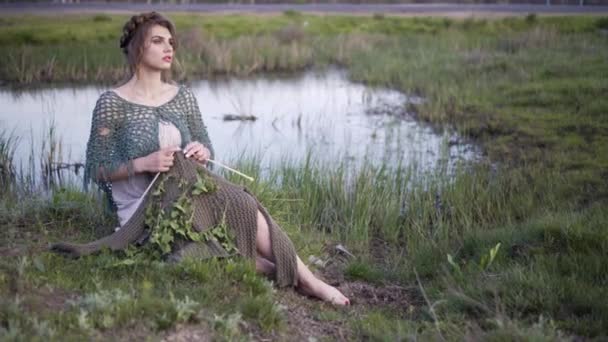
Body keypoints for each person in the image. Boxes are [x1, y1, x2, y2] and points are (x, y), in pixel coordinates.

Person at [85, 11, 349, 306]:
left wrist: (202, 152)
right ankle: (292, 274)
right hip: (142, 211)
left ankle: (310, 281)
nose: (168, 48)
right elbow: (97, 170)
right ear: (136, 47)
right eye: (158, 41)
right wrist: (142, 164)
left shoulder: (182, 96)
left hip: (186, 194)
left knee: (243, 203)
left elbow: (206, 148)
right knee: (196, 250)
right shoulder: (112, 103)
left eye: (171, 42)